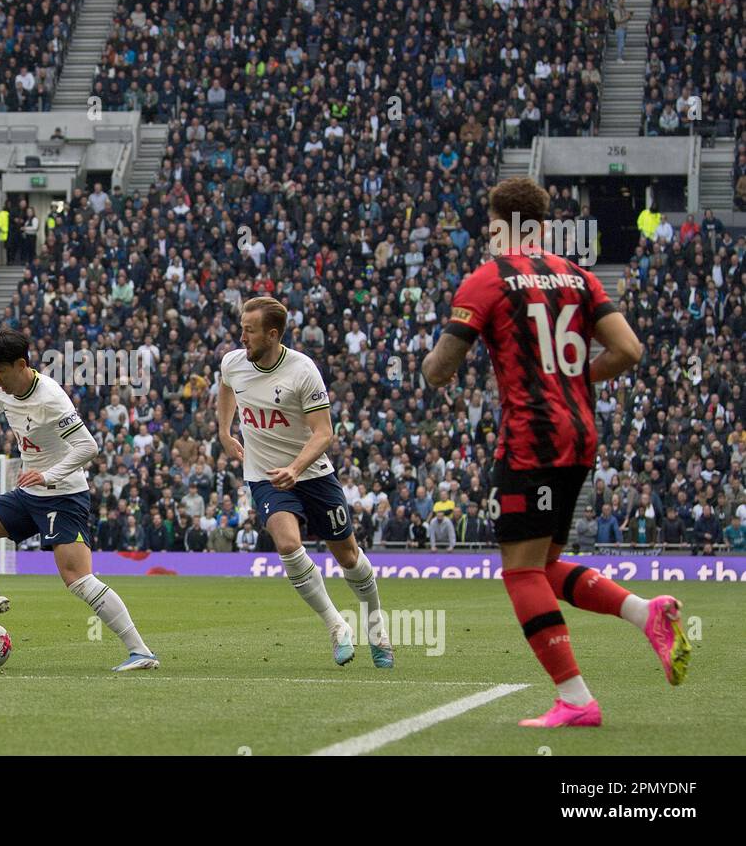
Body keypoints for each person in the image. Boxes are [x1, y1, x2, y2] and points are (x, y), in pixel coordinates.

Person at [423, 177, 691, 729]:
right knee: (543, 564)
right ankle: (647, 613)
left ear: (498, 223)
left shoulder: (487, 280)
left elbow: (440, 370)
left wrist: (434, 364)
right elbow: (630, 350)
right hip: (580, 435)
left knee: (520, 573)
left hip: (530, 439)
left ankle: (576, 699)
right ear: (543, 225)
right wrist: (572, 380)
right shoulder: (579, 276)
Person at [0, 330, 158, 671]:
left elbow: (89, 447)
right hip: (30, 493)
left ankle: (141, 652)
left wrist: (49, 475)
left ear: (21, 365)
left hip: (63, 496)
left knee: (78, 579)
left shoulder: (51, 398)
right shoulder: (1, 389)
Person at [217, 297, 393, 667]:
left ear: (273, 333)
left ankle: (376, 627)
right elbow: (226, 387)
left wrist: (296, 468)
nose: (242, 336)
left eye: (249, 330)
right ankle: (337, 626)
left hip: (312, 474)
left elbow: (323, 432)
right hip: (265, 475)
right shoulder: (234, 362)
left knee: (348, 556)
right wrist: (223, 430)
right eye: (242, 328)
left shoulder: (302, 370)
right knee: (287, 543)